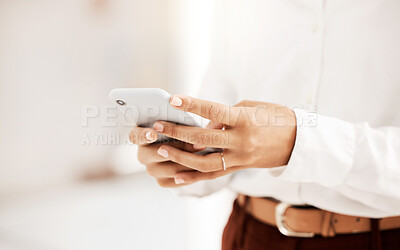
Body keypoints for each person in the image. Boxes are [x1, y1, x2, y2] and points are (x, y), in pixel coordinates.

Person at [129, 1, 400, 249]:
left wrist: (298, 142)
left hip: (378, 238)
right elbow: (218, 111)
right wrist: (186, 157)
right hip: (250, 233)